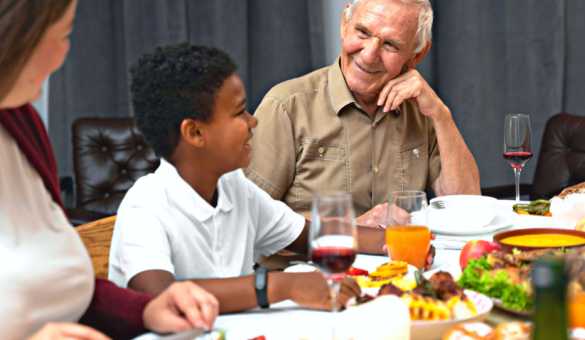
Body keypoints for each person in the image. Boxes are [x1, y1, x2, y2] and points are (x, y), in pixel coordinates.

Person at [108, 43, 392, 313]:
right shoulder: (145, 206)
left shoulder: (235, 187)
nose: (253, 120)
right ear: (195, 133)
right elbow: (160, 295)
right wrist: (281, 286)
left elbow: (315, 238)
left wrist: (404, 239)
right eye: (238, 112)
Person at [0, 1, 218, 339]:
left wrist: (144, 309)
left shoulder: (20, 121)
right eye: (63, 35)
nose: (65, 53)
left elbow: (61, 283)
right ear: (16, 37)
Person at [244, 0, 478, 268]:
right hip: (305, 288)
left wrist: (441, 114)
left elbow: (467, 212)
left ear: (417, 55)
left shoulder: (423, 112)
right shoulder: (286, 106)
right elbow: (248, 222)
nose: (369, 54)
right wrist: (353, 231)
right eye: (363, 32)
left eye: (391, 44)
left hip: (399, 284)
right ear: (345, 23)